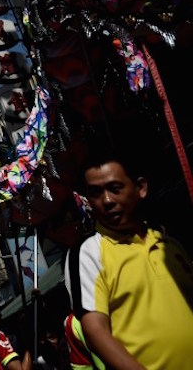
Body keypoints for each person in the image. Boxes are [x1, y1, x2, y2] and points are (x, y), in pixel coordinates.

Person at [64, 151, 193, 369]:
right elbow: (96, 332)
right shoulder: (88, 253)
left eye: (115, 189)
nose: (106, 201)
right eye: (95, 193)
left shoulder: (170, 245)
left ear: (140, 188)